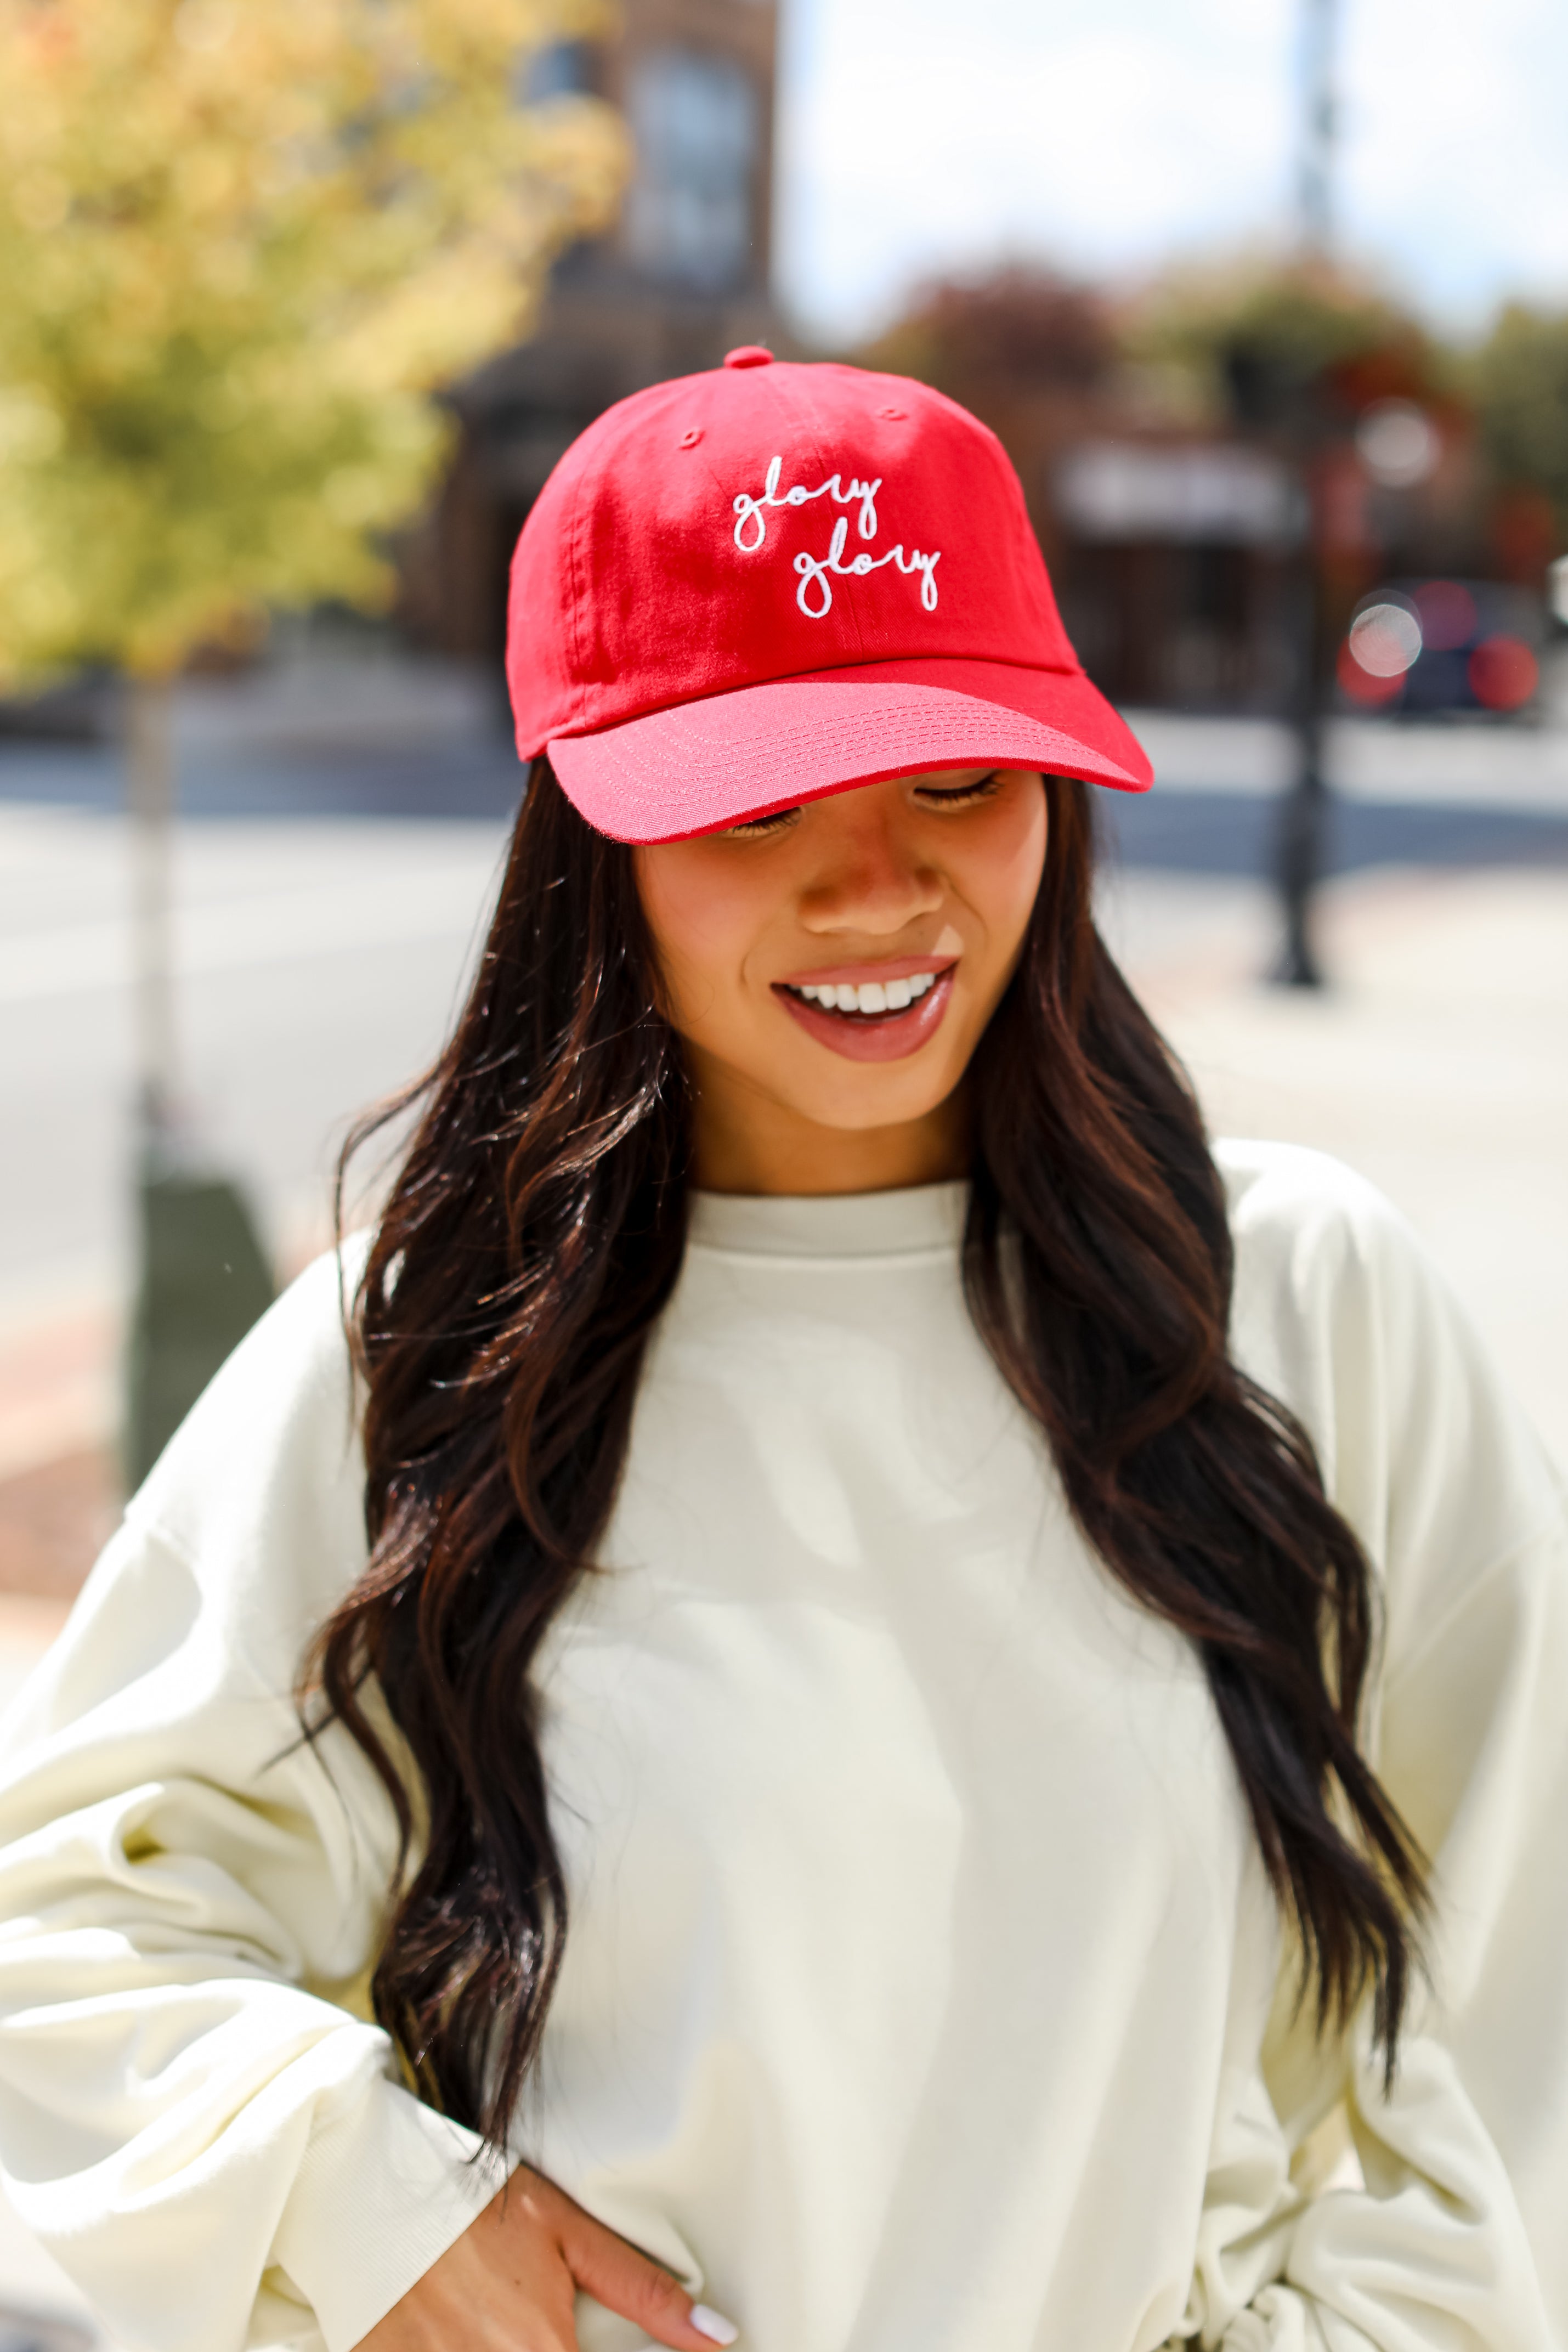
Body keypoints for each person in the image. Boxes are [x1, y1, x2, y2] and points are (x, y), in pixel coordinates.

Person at [0, 350, 1564, 2352]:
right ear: (594, 836)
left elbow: (1533, 1968)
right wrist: (378, 2204)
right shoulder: (422, 1360)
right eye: (757, 800)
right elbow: (72, 1916)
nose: (879, 885)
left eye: (955, 778)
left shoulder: (1296, 1309)